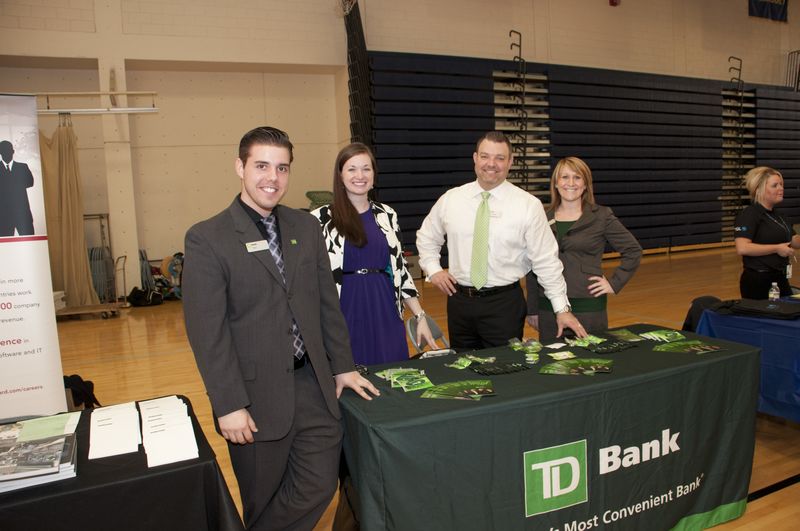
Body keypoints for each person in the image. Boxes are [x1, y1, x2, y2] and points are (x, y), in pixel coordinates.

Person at [182, 126, 379, 531]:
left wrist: (342, 365)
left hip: (312, 384)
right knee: (264, 497)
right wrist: (228, 403)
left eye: (282, 168)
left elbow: (327, 305)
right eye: (261, 166)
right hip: (253, 399)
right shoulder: (207, 238)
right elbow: (207, 332)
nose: (272, 178)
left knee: (320, 484)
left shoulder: (305, 228)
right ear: (239, 167)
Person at [416, 131, 586, 349]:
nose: (491, 164)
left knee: (506, 371)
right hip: (459, 302)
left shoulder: (528, 205)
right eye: (485, 156)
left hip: (504, 304)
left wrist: (562, 309)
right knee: (464, 370)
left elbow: (546, 261)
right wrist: (433, 269)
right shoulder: (451, 199)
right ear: (475, 158)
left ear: (510, 162)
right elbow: (426, 237)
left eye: (499, 158)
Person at [312, 142, 436, 364]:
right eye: (351, 169)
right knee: (348, 372)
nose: (360, 175)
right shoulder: (321, 218)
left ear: (374, 174)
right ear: (340, 175)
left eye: (366, 168)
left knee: (392, 371)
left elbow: (401, 271)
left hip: (384, 306)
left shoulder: (387, 215)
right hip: (344, 309)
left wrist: (420, 316)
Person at [525, 157, 642, 343]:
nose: (570, 183)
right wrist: (532, 309)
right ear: (556, 183)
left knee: (591, 363)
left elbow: (633, 250)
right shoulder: (541, 217)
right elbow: (532, 267)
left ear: (586, 184)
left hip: (588, 307)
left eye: (577, 177)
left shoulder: (602, 216)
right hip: (548, 308)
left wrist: (614, 283)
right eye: (564, 177)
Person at [734, 166, 800, 299]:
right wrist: (776, 249)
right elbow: (743, 248)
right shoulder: (749, 214)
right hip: (758, 281)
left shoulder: (779, 216)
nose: (781, 188)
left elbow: (794, 242)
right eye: (775, 185)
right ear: (759, 189)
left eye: (781, 184)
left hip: (779, 278)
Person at [0, 140, 35, 237]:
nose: (6, 152)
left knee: (30, 243)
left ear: (13, 151)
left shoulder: (22, 167)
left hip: (23, 214)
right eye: (4, 150)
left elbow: (30, 182)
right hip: (3, 216)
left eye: (8, 150)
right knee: (4, 247)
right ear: (0, 152)